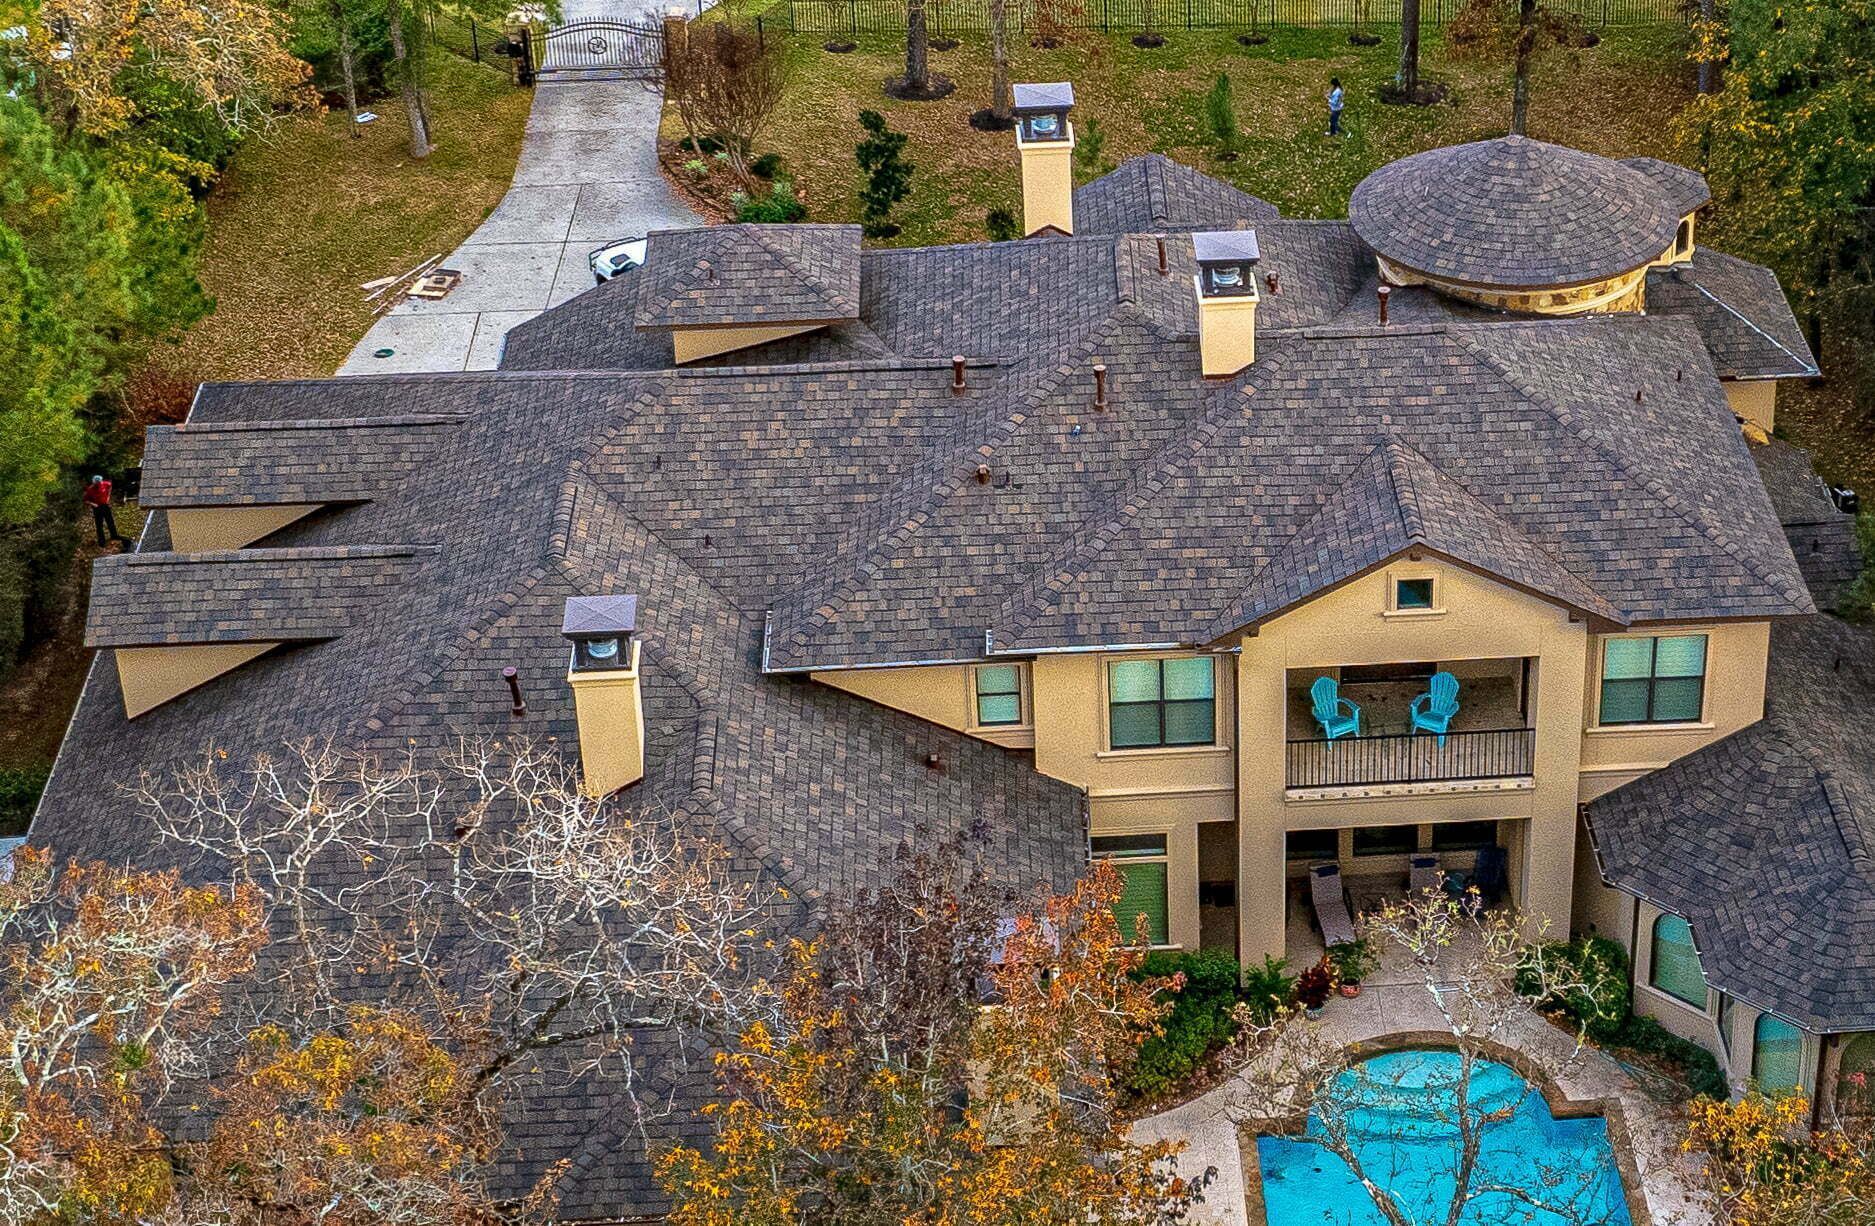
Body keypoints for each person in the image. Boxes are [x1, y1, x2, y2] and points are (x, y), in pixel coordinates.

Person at [83, 475, 126, 548]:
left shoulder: (105, 484)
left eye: (99, 483)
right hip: (97, 508)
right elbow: (85, 500)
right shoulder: (90, 489)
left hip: (105, 505)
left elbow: (110, 486)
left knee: (110, 521)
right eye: (97, 483)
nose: (99, 484)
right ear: (94, 483)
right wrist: (93, 504)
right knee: (99, 525)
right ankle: (102, 541)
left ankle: (114, 535)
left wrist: (108, 496)